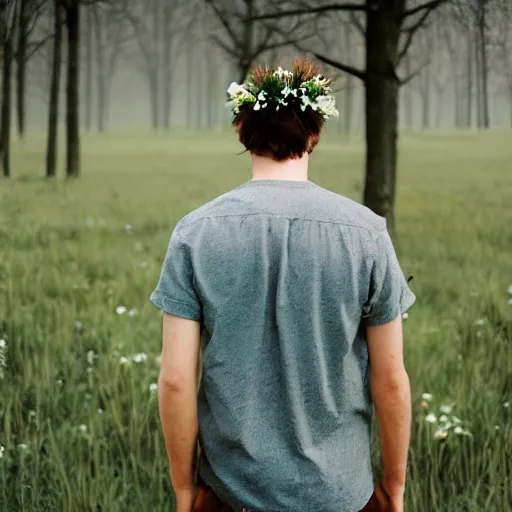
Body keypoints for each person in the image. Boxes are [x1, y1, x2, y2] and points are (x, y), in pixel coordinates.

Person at [150, 59, 416, 512]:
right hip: (341, 496)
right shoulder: (366, 233)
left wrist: (182, 491)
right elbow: (390, 382)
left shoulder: (195, 233)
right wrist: (394, 489)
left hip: (231, 496)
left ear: (242, 131)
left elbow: (176, 380)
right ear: (314, 134)